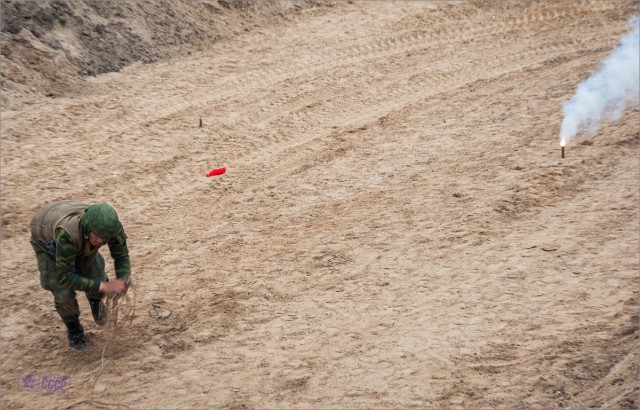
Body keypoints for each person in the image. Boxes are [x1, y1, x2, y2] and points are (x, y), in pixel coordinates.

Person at [30, 201, 131, 349]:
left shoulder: (110, 228)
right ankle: (74, 329)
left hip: (76, 236)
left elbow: (121, 254)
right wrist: (105, 286)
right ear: (87, 228)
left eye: (105, 238)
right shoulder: (67, 234)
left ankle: (95, 302)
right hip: (47, 242)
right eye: (98, 237)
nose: (101, 241)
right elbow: (66, 277)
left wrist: (124, 278)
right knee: (64, 295)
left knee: (97, 277)